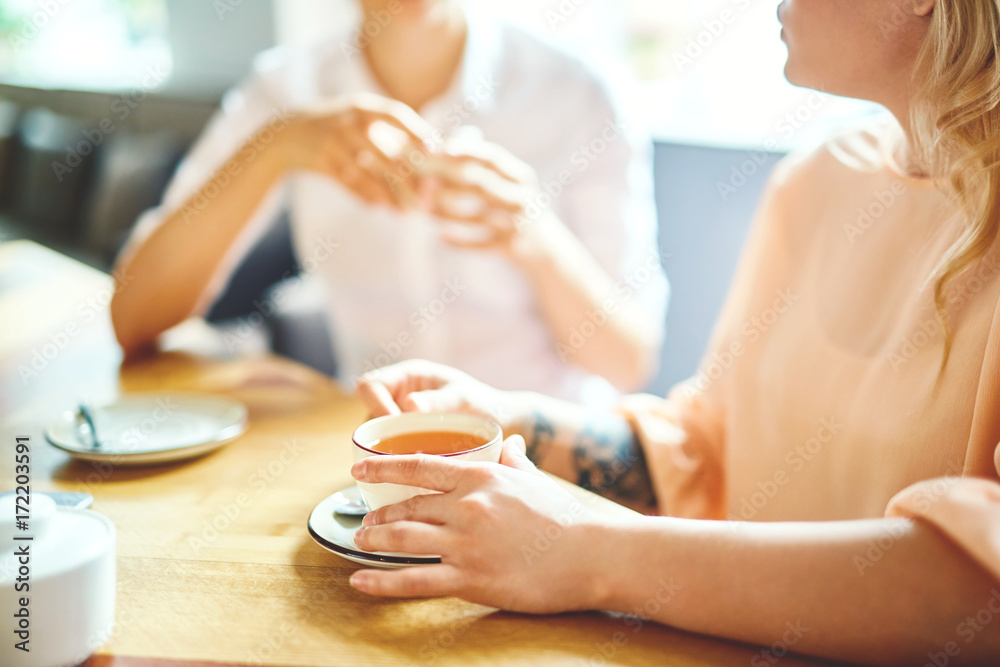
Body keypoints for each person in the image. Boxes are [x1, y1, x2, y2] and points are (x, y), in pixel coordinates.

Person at [344, 0, 1000, 663]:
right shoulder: (817, 179)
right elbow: (705, 451)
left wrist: (589, 552)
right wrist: (510, 418)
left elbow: (983, 592)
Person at [109, 0, 668, 405]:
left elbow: (628, 361)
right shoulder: (285, 90)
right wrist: (274, 148)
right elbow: (134, 318)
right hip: (378, 462)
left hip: (547, 460)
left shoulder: (579, 91)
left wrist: (534, 237)